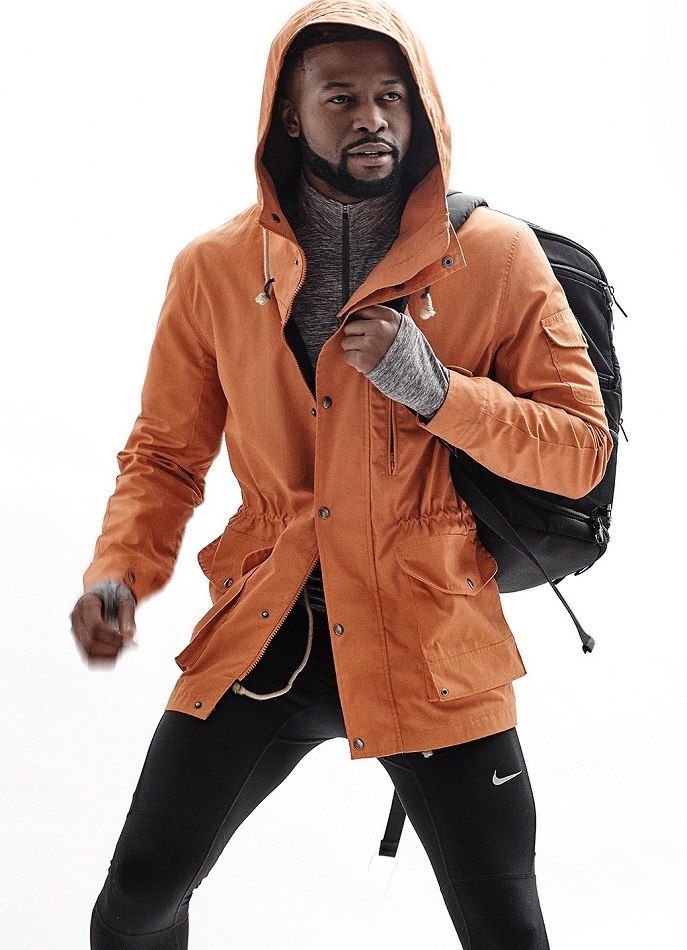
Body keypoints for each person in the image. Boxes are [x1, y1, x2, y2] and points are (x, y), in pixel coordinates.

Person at [72, 2, 613, 947]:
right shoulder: (214, 268)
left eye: (391, 97)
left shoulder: (494, 256)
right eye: (341, 98)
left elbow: (578, 448)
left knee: (506, 929)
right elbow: (165, 454)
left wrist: (436, 390)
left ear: (420, 105)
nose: (372, 118)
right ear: (289, 115)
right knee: (136, 902)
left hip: (431, 642)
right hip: (267, 632)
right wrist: (118, 571)